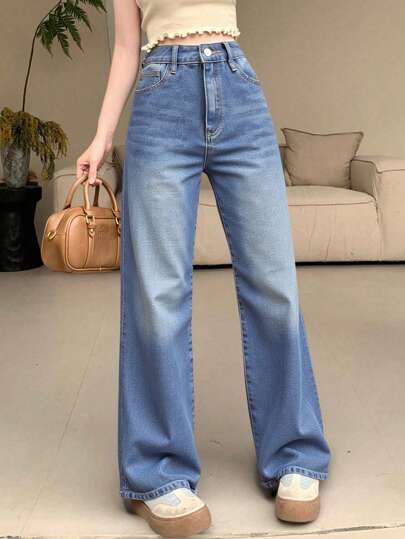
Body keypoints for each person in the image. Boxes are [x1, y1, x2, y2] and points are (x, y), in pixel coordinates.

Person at [76, 0, 332, 536]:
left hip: (237, 86)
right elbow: (125, 46)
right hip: (160, 98)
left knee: (274, 285)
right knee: (157, 295)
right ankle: (157, 473)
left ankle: (295, 453)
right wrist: (101, 135)